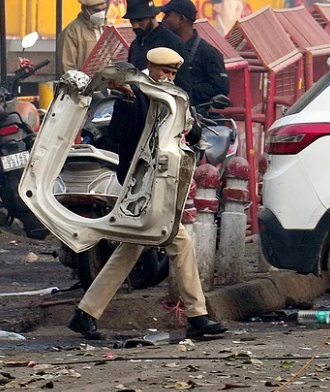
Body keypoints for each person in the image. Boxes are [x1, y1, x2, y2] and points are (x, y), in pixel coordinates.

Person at [68, 47, 226, 340]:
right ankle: (197, 316)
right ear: (149, 68)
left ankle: (85, 313)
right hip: (139, 186)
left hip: (158, 186)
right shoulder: (133, 97)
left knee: (131, 249)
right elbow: (118, 136)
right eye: (164, 71)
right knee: (180, 242)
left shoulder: (173, 97)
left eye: (172, 72)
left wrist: (188, 119)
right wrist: (128, 100)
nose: (167, 76)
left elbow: (190, 134)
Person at [162, 0, 230, 107]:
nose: (163, 20)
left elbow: (220, 88)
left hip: (198, 115)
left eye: (167, 16)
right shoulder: (165, 48)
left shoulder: (209, 53)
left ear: (181, 19)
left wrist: (184, 88)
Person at [123, 0, 191, 94]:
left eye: (139, 20)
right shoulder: (135, 45)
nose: (135, 26)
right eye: (132, 21)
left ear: (152, 17)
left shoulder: (171, 42)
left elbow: (184, 84)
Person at [57, 0, 108, 73]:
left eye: (104, 9)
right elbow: (67, 68)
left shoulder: (105, 27)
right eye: (96, 10)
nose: (101, 13)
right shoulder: (72, 32)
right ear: (85, 9)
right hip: (84, 82)